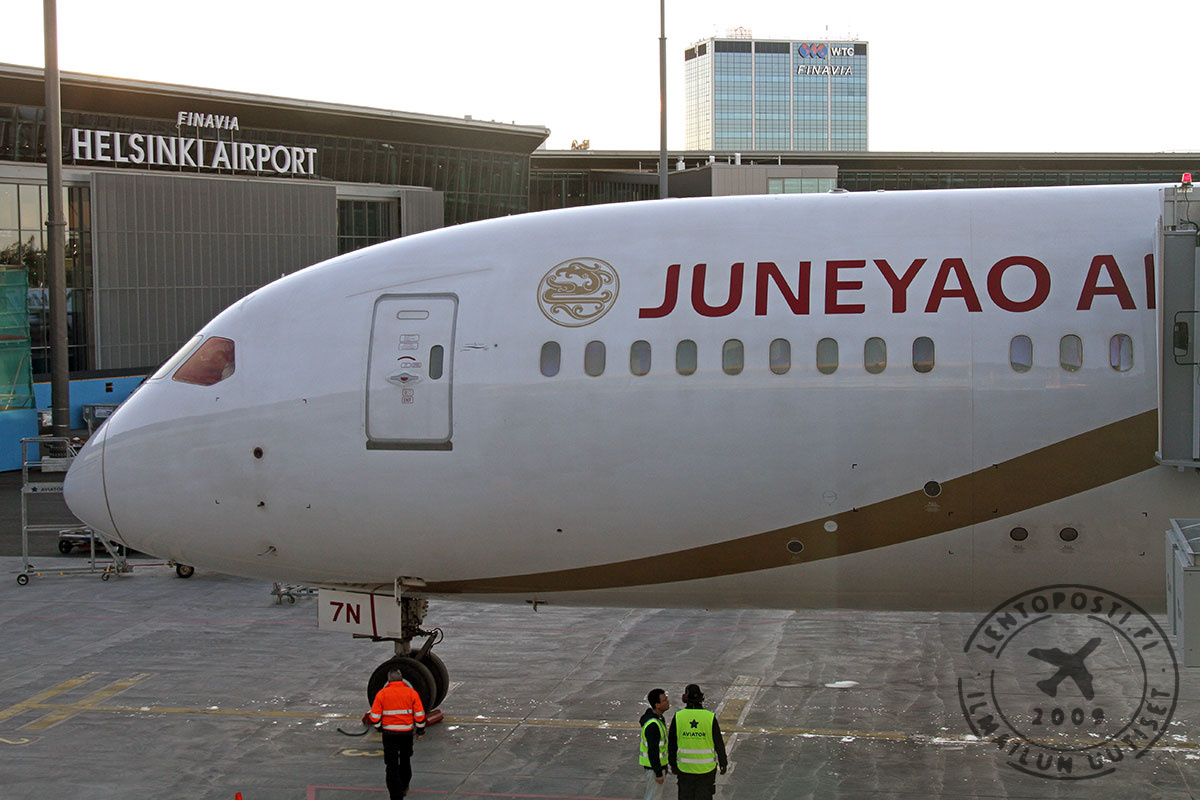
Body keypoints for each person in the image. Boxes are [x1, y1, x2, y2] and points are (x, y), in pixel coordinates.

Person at [364, 666, 426, 799]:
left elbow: (374, 716)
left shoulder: (382, 694)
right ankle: (404, 786)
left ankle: (395, 795)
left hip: (389, 734)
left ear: (388, 680)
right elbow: (420, 715)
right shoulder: (411, 693)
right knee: (405, 760)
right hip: (406, 733)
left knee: (391, 766)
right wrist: (420, 730)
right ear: (402, 679)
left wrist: (379, 727)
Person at [667, 684, 727, 799]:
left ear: (685, 699)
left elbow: (672, 744)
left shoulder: (679, 717)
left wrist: (673, 764)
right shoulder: (709, 717)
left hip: (685, 769)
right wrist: (723, 762)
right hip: (706, 770)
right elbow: (718, 743)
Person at [639, 688, 671, 799]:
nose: (668, 702)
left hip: (658, 767)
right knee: (653, 797)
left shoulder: (658, 719)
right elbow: (653, 750)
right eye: (664, 700)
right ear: (657, 705)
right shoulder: (653, 725)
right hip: (654, 769)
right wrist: (658, 773)